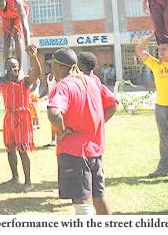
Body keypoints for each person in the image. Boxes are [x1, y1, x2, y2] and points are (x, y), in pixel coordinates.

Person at [47, 48, 117, 215]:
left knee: (81, 199)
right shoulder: (92, 81)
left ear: (57, 66)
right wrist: (96, 124)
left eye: (51, 65)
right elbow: (113, 104)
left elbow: (54, 113)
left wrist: (62, 131)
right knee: (98, 196)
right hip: (95, 149)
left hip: (73, 152)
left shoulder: (64, 85)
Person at [0, 43, 41, 192]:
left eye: (16, 67)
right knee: (10, 148)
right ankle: (14, 177)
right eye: (11, 68)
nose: (14, 70)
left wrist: (33, 57)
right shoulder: (3, 81)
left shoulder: (25, 81)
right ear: (6, 69)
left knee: (22, 149)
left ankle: (28, 182)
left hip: (22, 116)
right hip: (9, 116)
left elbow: (37, 73)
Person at [135, 30, 168, 178]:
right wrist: (152, 35)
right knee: (164, 141)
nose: (160, 52)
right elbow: (139, 50)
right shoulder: (156, 65)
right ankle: (163, 169)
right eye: (159, 49)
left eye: (164, 49)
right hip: (161, 108)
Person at [77, 52, 118, 124]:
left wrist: (99, 123)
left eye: (76, 63)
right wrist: (99, 123)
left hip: (84, 128)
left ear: (82, 66)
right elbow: (113, 103)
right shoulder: (95, 80)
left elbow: (113, 103)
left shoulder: (81, 80)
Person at [40, 60, 57, 147]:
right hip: (51, 102)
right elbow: (47, 89)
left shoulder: (56, 77)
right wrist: (41, 96)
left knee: (56, 121)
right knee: (52, 122)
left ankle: (58, 140)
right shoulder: (48, 77)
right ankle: (53, 141)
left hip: (57, 102)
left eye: (46, 67)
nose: (45, 69)